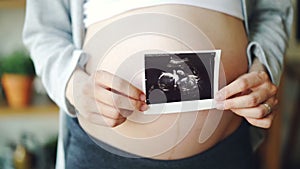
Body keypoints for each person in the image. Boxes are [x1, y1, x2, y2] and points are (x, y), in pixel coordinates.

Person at [23, 0, 293, 169]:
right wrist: (73, 84)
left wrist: (263, 68)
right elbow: (44, 31)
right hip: (103, 153)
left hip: (223, 150)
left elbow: (273, 10)